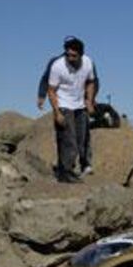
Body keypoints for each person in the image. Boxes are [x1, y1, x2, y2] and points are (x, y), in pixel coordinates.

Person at [38, 37, 100, 178]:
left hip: (80, 105)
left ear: (81, 55)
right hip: (64, 105)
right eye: (67, 54)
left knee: (81, 139)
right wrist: (57, 112)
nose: (70, 58)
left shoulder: (88, 63)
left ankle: (77, 167)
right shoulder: (58, 65)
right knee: (68, 140)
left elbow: (91, 81)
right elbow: (51, 90)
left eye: (73, 55)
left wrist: (89, 100)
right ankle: (66, 172)